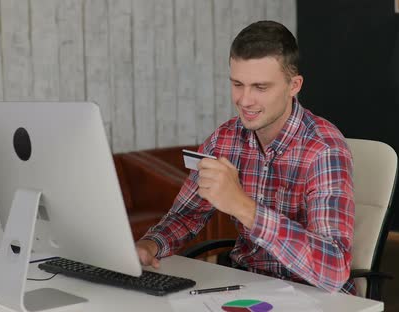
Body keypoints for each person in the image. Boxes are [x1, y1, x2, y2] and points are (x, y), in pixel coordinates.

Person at [136, 20, 355, 294]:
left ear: (294, 85)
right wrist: (150, 244)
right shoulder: (225, 138)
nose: (245, 100)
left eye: (260, 87)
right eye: (238, 84)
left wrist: (243, 207)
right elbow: (186, 215)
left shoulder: (324, 150)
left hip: (314, 295)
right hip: (246, 288)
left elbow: (333, 270)